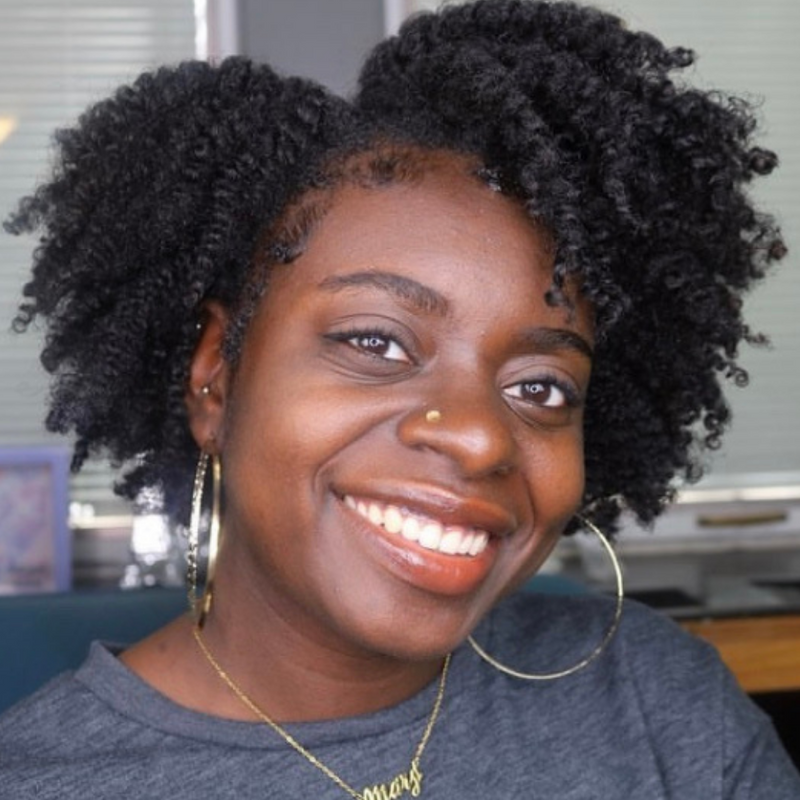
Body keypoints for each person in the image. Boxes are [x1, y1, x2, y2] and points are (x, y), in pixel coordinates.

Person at [1, 0, 797, 797]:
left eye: (540, 386)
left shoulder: (660, 705)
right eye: (377, 343)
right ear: (215, 374)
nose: (480, 437)